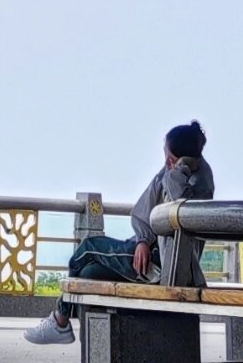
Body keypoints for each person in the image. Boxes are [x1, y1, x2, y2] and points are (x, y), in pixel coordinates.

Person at [24, 123, 213, 345]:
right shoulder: (172, 170)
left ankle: (60, 321)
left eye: (169, 157)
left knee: (86, 249)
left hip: (162, 265)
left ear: (182, 159)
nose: (165, 162)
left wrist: (180, 169)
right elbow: (146, 206)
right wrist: (142, 239)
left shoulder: (195, 180)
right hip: (148, 250)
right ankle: (73, 331)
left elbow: (179, 203)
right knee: (89, 272)